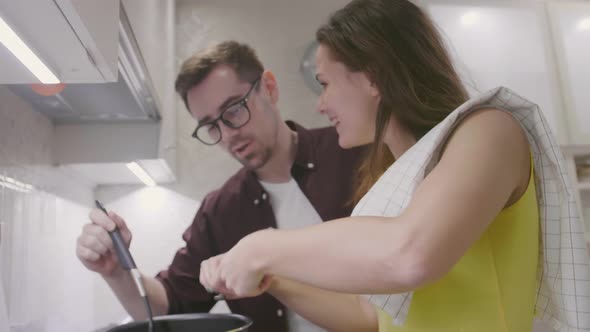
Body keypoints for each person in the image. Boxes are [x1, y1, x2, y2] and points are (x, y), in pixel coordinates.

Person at [199, 1, 544, 331]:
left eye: (325, 84)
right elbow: (369, 314)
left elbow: (412, 254)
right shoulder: (397, 175)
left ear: (373, 77)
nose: (320, 105)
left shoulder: (489, 130)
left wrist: (261, 248)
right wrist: (269, 277)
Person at [76, 41, 365, 332]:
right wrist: (117, 273)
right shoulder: (222, 211)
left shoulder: (354, 153)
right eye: (211, 125)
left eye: (234, 110)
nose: (228, 135)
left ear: (269, 88)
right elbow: (170, 306)